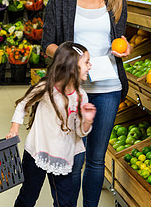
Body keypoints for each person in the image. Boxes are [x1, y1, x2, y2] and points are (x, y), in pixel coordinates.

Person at [41, 0, 131, 207]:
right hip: (73, 90)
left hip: (108, 90)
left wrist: (123, 49)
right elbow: (47, 46)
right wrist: (73, 56)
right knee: (72, 157)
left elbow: (119, 41)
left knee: (95, 159)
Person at [6, 42, 97, 207]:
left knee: (64, 202)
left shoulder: (81, 96)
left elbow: (80, 132)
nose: (90, 66)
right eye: (86, 62)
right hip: (37, 151)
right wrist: (14, 129)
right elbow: (22, 105)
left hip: (62, 155)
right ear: (72, 66)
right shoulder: (46, 87)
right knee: (27, 197)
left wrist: (87, 120)